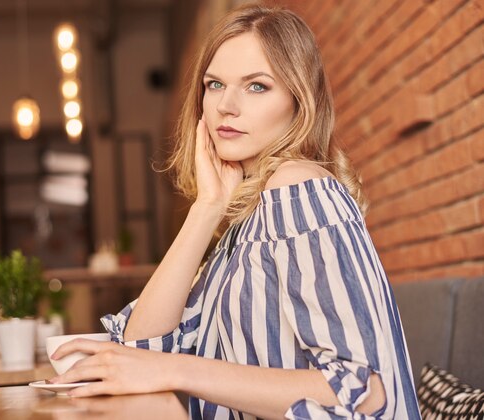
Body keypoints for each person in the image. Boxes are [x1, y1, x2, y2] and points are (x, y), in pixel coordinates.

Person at [49, 3, 421, 419]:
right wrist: (206, 208)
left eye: (257, 86)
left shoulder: (298, 187)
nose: (227, 105)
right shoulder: (248, 214)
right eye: (214, 84)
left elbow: (361, 389)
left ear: (299, 102)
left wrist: (174, 370)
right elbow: (143, 344)